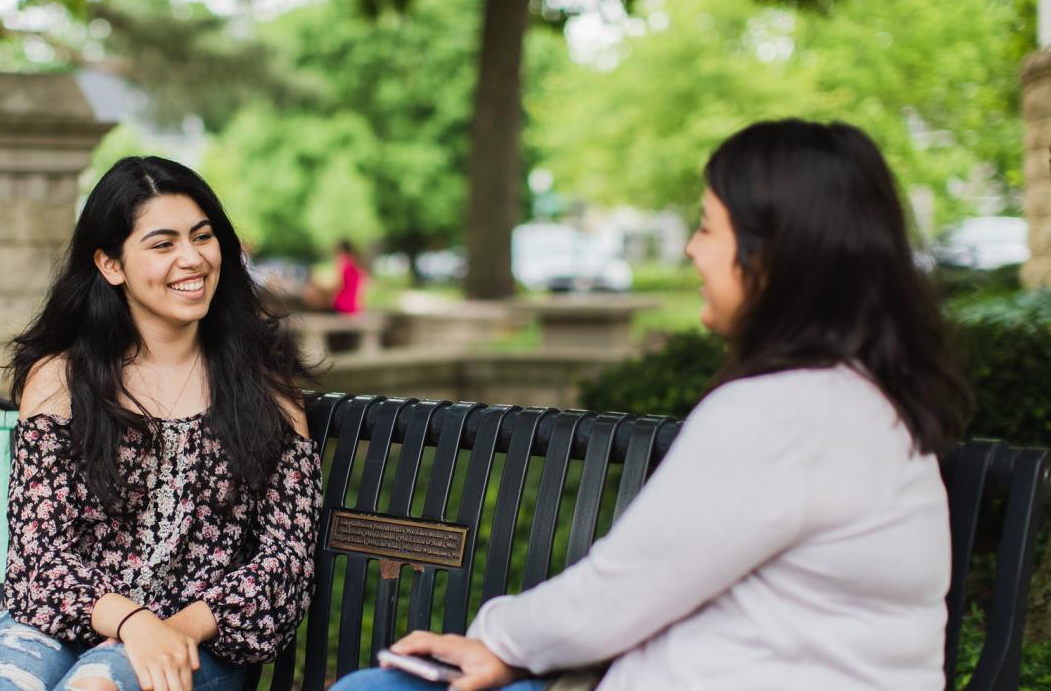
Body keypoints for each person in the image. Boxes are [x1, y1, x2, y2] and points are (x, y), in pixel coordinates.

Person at [332, 119, 970, 691]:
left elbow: (613, 599)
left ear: (772, 255)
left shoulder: (783, 413)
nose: (692, 249)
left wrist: (494, 638)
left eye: (707, 227)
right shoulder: (864, 398)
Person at [0, 156, 324, 691]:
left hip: (199, 639)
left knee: (97, 687)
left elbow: (285, 562)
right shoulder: (63, 380)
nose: (192, 259)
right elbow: (39, 556)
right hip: (66, 621)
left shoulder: (264, 384)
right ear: (111, 265)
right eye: (162, 244)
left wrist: (169, 631)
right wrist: (132, 622)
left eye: (203, 237)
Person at [332, 239, 366, 315]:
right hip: (356, 305)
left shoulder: (342, 261)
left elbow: (338, 284)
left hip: (342, 304)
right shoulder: (358, 261)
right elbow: (364, 283)